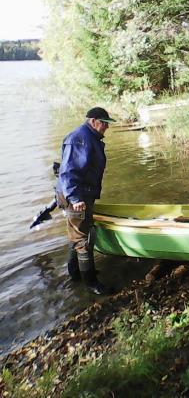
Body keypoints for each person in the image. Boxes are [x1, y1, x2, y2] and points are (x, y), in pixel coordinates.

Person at [56, 107, 116, 295]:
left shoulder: (90, 137)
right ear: (93, 121)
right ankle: (91, 283)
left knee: (78, 233)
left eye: (108, 123)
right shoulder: (79, 139)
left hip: (83, 195)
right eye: (104, 123)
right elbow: (68, 172)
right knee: (83, 239)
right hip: (77, 197)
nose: (107, 127)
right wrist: (75, 198)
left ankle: (75, 274)